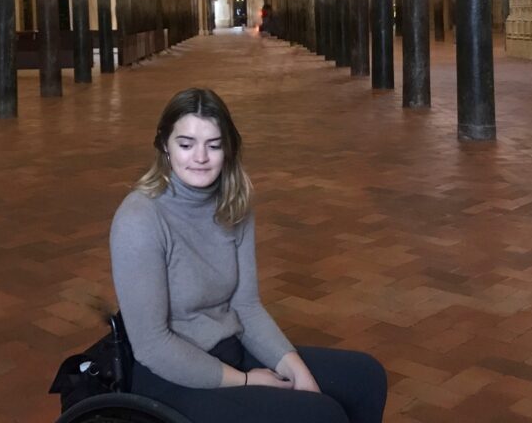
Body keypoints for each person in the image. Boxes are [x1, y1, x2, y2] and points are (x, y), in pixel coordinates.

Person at [110, 89, 387, 423]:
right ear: (164, 147)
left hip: (231, 350)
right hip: (172, 375)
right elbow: (153, 346)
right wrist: (244, 380)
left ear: (228, 149)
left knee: (365, 378)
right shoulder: (140, 218)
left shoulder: (233, 204)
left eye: (213, 145)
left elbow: (247, 307)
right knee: (320, 416)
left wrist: (298, 372)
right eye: (186, 144)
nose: (200, 157)